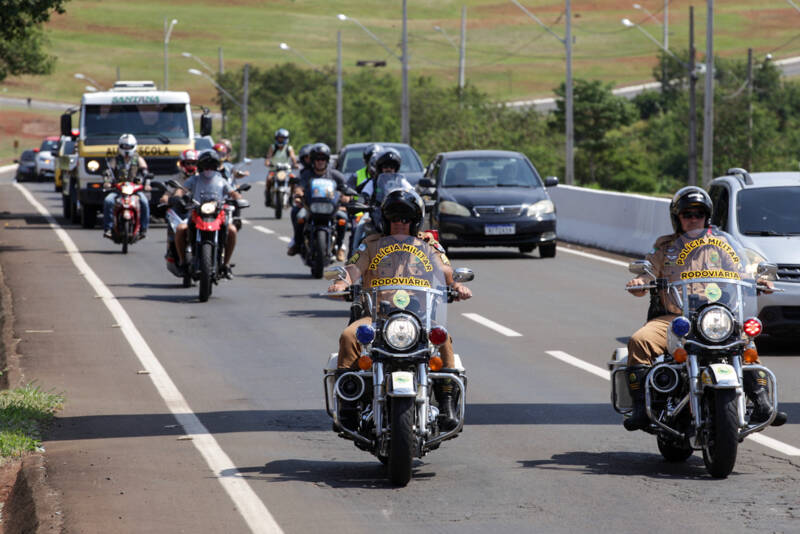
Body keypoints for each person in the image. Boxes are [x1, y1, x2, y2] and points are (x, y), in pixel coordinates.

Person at [624, 186, 787, 430]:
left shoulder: (722, 245)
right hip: (676, 318)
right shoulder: (666, 247)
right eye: (687, 214)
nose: (693, 219)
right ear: (677, 218)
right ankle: (641, 408)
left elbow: (742, 271)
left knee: (746, 342)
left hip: (716, 317)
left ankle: (762, 402)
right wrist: (640, 282)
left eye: (698, 214)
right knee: (639, 340)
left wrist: (758, 281)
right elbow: (648, 273)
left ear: (706, 217)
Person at [328, 188, 472, 430]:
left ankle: (446, 402)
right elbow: (354, 268)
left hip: (418, 320)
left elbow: (444, 271)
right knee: (349, 336)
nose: (399, 224)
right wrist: (342, 282)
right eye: (394, 219)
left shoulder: (428, 245)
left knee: (442, 337)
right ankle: (348, 406)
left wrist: (455, 285)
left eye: (405, 219)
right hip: (376, 318)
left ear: (414, 222)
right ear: (386, 221)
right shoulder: (371, 245)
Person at [173, 150, 243, 279]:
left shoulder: (221, 180)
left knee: (232, 230)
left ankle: (226, 265)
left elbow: (233, 192)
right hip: (197, 212)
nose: (208, 169)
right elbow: (182, 190)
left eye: (211, 165)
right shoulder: (194, 179)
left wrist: (239, 198)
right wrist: (177, 196)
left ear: (216, 166)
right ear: (200, 166)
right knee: (180, 229)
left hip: (217, 214)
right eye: (206, 165)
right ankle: (183, 262)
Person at [288, 142, 349, 261]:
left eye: (323, 159)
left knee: (343, 218)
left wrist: (346, 196)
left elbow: (345, 188)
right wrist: (298, 193)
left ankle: (340, 246)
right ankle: (297, 242)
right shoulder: (306, 174)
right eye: (317, 159)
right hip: (310, 208)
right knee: (299, 216)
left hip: (331, 209)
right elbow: (300, 186)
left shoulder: (335, 175)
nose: (320, 161)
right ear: (313, 161)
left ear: (327, 160)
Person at [103, 134, 151, 239]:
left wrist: (147, 184)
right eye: (124, 146)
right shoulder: (115, 159)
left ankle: (143, 228)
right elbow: (108, 173)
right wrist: (107, 182)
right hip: (118, 189)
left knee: (144, 202)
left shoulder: (138, 159)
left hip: (134, 189)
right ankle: (108, 228)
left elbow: (146, 173)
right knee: (108, 201)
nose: (127, 149)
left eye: (129, 146)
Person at [264, 128, 298, 206]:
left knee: (294, 180)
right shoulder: (273, 147)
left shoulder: (289, 148)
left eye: (282, 138)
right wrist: (267, 162)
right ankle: (268, 197)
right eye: (279, 138)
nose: (280, 140)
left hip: (286, 171)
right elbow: (268, 157)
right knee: (269, 179)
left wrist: (295, 164)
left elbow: (293, 157)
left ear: (286, 139)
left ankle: (291, 198)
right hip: (274, 170)